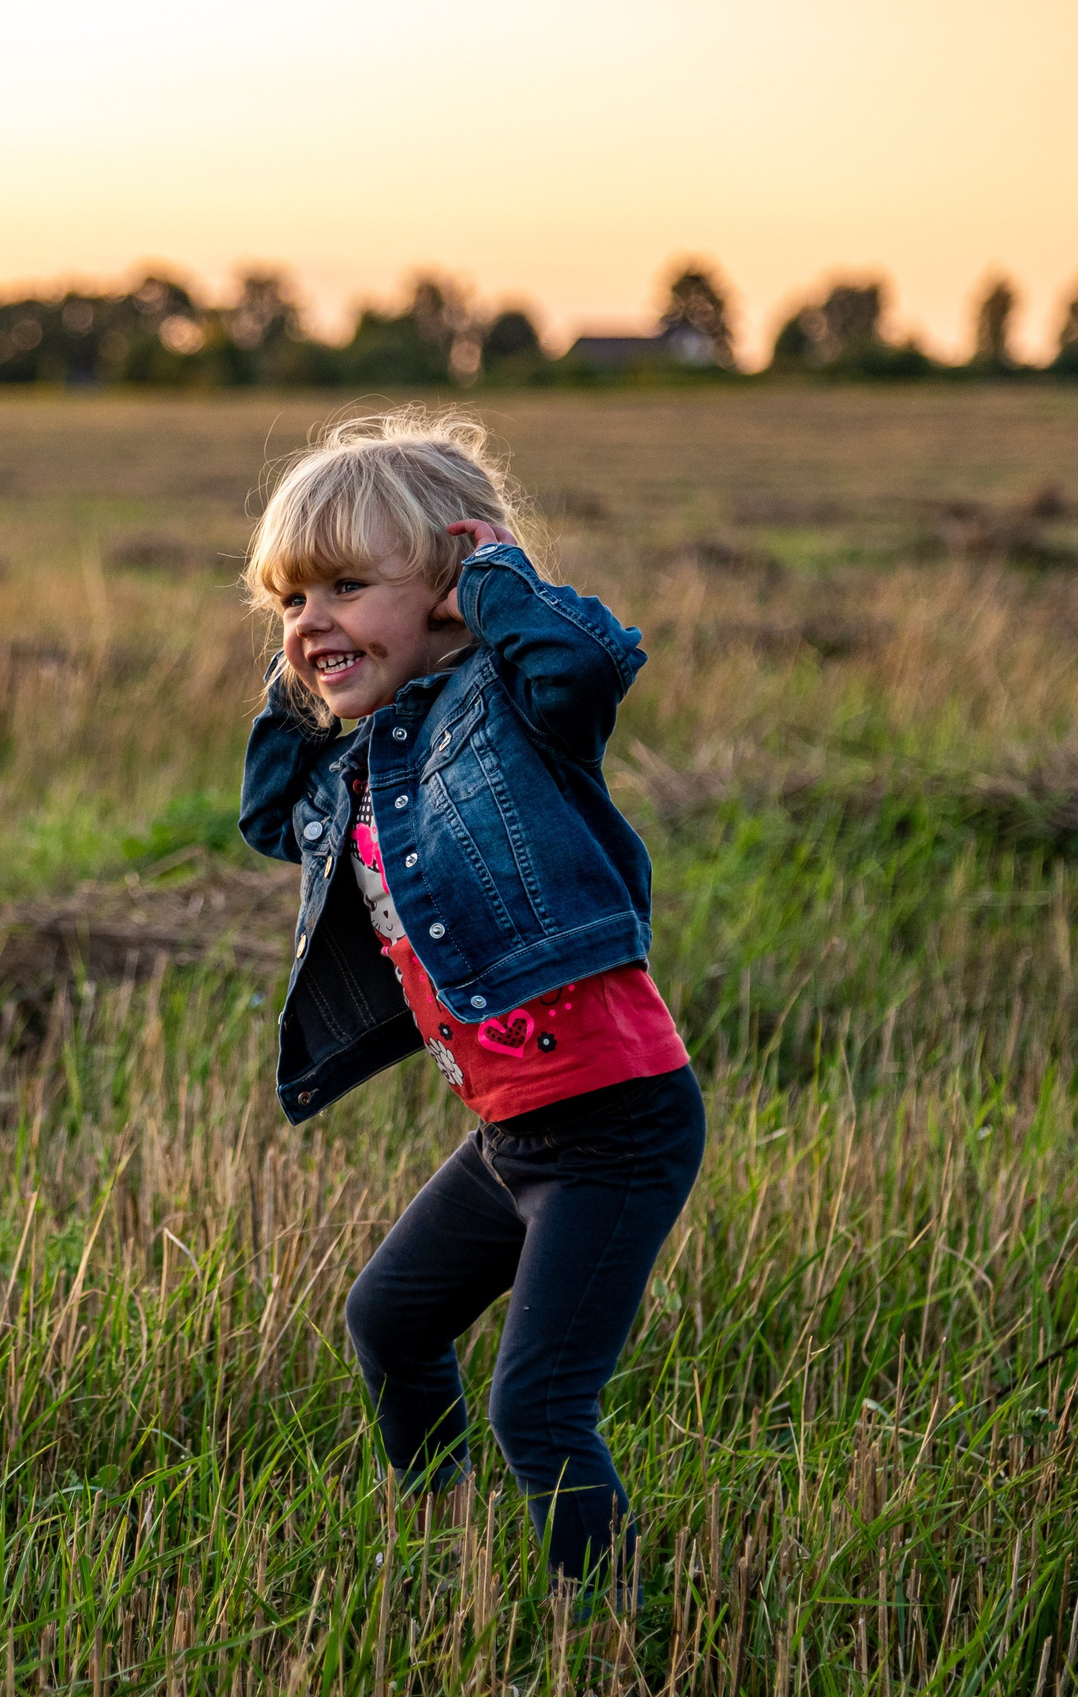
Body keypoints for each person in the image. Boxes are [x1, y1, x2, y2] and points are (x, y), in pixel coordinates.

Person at [236, 408, 703, 1601]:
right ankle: (447, 1547)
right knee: (388, 1323)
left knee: (537, 1407)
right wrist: (313, 672)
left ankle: (613, 1627)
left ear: (448, 588)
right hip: (514, 1135)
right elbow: (268, 816)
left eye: (346, 587)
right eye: (291, 599)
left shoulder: (514, 714)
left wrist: (494, 580)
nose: (310, 619)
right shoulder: (362, 762)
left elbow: (584, 664)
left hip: (615, 1123)